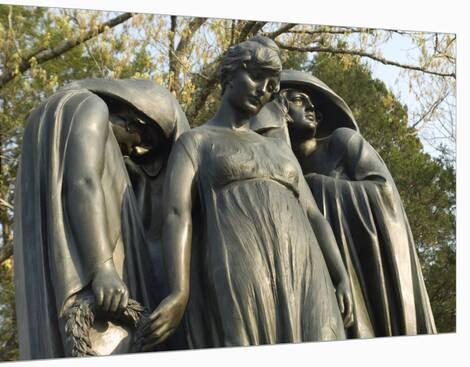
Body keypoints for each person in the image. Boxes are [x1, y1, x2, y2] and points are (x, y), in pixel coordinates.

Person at [141, 36, 353, 350]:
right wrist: (179, 292)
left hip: (308, 269)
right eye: (255, 76)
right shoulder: (197, 142)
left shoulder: (279, 149)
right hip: (241, 264)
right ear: (228, 74)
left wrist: (340, 275)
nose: (262, 89)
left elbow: (313, 216)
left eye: (271, 86)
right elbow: (176, 214)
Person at [14, 78, 189, 359]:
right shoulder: (91, 107)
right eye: (145, 140)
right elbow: (84, 182)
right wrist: (103, 268)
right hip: (92, 285)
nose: (137, 151)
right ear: (134, 120)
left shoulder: (47, 115)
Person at [278, 70, 437, 337]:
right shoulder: (281, 168)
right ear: (278, 111)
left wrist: (317, 186)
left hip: (367, 270)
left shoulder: (342, 141)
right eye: (297, 100)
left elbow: (385, 194)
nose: (310, 108)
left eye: (312, 105)